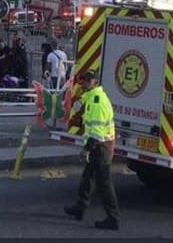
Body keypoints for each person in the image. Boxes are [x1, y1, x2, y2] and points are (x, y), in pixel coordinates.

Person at [64, 70, 120, 230]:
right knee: (87, 178)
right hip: (99, 145)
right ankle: (80, 208)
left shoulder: (97, 101)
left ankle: (113, 218)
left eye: (88, 81)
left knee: (104, 184)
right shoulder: (92, 98)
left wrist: (86, 149)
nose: (84, 83)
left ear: (95, 82)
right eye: (83, 81)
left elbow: (97, 131)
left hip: (101, 146)